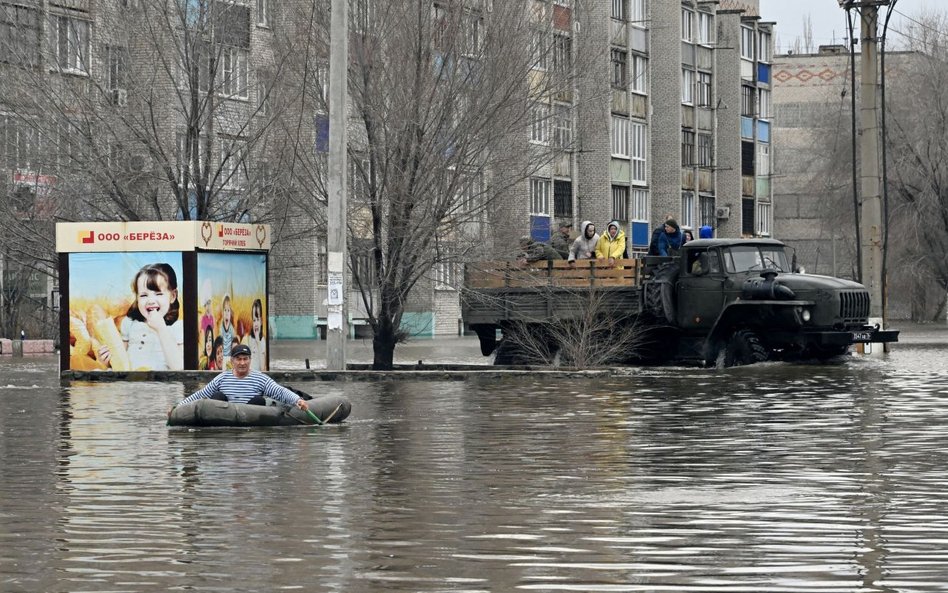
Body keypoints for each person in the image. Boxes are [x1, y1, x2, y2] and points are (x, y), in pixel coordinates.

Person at [168, 344, 310, 416]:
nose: (242, 363)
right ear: (232, 361)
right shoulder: (222, 378)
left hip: (250, 417)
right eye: (239, 359)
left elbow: (279, 391)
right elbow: (200, 395)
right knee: (216, 396)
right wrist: (178, 408)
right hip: (225, 417)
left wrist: (297, 400)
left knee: (259, 400)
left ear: (249, 360)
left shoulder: (260, 379)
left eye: (245, 359)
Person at [100, 262, 184, 371]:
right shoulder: (130, 323)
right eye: (144, 295)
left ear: (172, 296)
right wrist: (108, 361)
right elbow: (121, 362)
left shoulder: (177, 327)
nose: (150, 301)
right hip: (131, 383)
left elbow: (179, 367)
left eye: (158, 294)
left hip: (160, 385)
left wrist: (161, 329)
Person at [246, 298, 267, 371]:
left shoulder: (263, 341)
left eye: (258, 320)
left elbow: (263, 368)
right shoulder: (249, 339)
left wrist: (258, 342)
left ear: (261, 321)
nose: (256, 324)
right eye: (254, 320)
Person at [219, 294, 235, 358]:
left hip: (230, 357)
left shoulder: (231, 329)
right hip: (222, 357)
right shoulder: (221, 328)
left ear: (231, 313)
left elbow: (233, 344)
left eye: (228, 310)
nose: (226, 313)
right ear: (222, 312)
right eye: (225, 310)